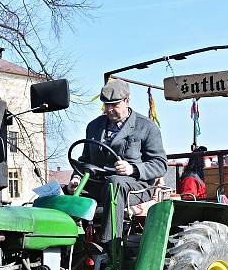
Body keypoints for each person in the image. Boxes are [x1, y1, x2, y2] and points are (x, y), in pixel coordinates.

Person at [67, 79, 167, 244]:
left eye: (114, 105)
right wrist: (76, 179)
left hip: (136, 186)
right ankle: (67, 246)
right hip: (98, 183)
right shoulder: (94, 126)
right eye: (106, 105)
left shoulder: (146, 127)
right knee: (63, 193)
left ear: (127, 101)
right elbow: (84, 160)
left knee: (115, 184)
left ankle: (110, 246)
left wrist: (132, 169)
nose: (109, 109)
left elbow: (160, 164)